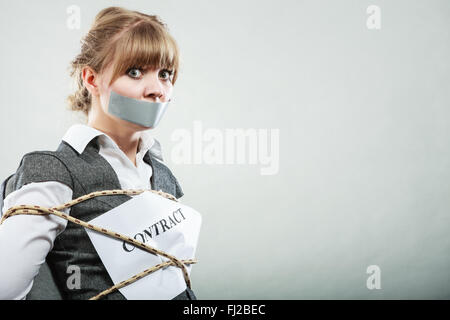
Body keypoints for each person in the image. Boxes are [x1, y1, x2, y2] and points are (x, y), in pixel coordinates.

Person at [0, 6, 196, 300]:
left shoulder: (163, 175)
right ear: (91, 79)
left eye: (165, 74)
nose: (157, 89)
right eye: (135, 71)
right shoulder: (53, 171)